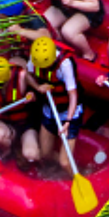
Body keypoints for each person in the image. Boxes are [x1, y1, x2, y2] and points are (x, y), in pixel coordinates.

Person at [21, 36, 80, 175]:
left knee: (64, 163)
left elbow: (73, 96)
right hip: (50, 109)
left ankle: (76, 173)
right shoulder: (35, 57)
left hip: (69, 112)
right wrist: (38, 87)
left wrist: (68, 122)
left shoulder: (65, 65)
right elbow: (27, 75)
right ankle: (61, 168)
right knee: (45, 155)